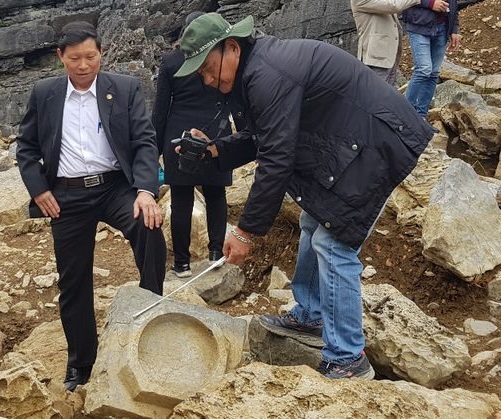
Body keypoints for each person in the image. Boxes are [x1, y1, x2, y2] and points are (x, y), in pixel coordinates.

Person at [174, 13, 435, 379]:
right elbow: (260, 136)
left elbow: (276, 159)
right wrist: (214, 151)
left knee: (335, 244)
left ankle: (347, 358)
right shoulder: (254, 72)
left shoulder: (267, 74)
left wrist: (246, 231)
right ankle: (311, 314)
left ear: (231, 48)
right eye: (200, 73)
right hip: (350, 142)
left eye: (207, 68)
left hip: (379, 140)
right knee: (313, 219)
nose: (207, 79)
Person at [16, 21, 166, 392]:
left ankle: (149, 319)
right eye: (74, 58)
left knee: (148, 227)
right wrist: (38, 190)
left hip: (115, 186)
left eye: (91, 56)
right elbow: (26, 146)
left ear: (101, 53)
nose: (84, 66)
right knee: (73, 278)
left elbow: (145, 142)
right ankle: (81, 363)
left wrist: (145, 190)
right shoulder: (45, 93)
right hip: (66, 195)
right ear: (60, 58)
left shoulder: (125, 88)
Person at [152, 11, 238, 277]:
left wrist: (154, 150)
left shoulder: (170, 62)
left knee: (181, 199)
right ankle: (215, 255)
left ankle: (181, 263)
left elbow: (160, 110)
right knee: (215, 194)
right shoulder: (220, 57)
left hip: (178, 136)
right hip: (216, 133)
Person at [351, 0, 443, 85]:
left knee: (386, 96)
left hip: (388, 56)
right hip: (375, 60)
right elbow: (394, 6)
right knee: (375, 97)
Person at [401, 0, 461, 117]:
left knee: (433, 73)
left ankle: (421, 116)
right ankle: (405, 116)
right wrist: (430, 3)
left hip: (443, 27)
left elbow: (453, 3)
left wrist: (454, 29)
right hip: (419, 25)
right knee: (423, 70)